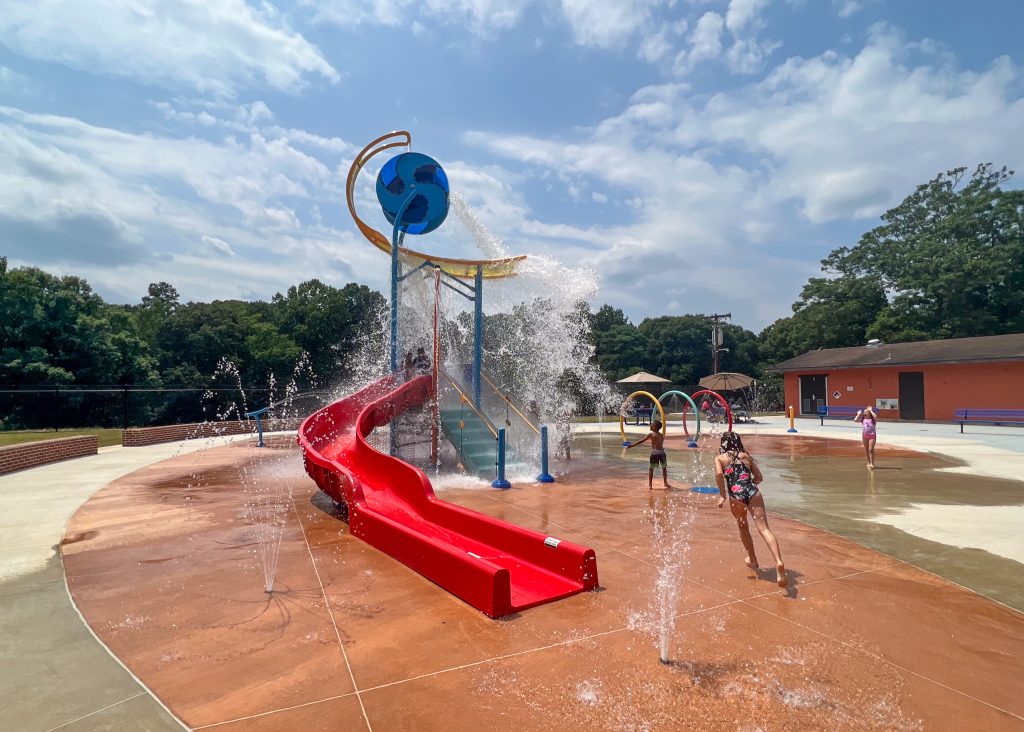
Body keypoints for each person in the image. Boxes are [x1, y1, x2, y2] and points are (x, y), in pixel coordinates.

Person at [714, 432, 786, 587]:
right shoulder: (746, 456)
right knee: (764, 529)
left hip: (735, 497)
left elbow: (719, 474)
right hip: (753, 493)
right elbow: (759, 477)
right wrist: (748, 484)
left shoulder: (720, 458)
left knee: (743, 526)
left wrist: (722, 494)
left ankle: (752, 559)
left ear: (723, 443)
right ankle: (778, 561)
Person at [625, 419, 670, 490]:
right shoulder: (661, 435)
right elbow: (660, 444)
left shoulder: (651, 434)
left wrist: (632, 446)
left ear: (654, 427)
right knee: (664, 468)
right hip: (662, 453)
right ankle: (665, 482)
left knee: (651, 469)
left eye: (652, 424)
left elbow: (641, 441)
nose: (650, 425)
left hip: (654, 454)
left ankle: (650, 484)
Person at [854, 405, 879, 469]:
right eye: (864, 412)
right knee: (866, 449)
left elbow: (875, 416)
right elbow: (855, 420)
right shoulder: (863, 420)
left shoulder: (873, 420)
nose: (865, 413)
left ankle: (872, 463)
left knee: (871, 449)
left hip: (872, 436)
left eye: (866, 412)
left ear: (869, 413)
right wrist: (859, 414)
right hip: (864, 436)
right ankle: (869, 462)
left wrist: (870, 410)